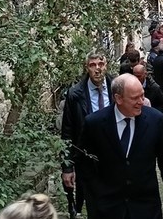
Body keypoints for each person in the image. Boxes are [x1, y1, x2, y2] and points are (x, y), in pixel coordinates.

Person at [75, 74, 163, 219]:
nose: (141, 102)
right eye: (135, 98)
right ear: (118, 98)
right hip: (108, 208)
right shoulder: (95, 123)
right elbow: (83, 162)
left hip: (145, 207)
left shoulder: (155, 120)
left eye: (142, 95)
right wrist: (95, 194)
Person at [61, 52, 112, 218]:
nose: (97, 69)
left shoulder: (116, 87)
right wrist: (67, 167)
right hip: (88, 160)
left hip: (114, 157)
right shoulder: (75, 94)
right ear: (86, 68)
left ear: (106, 66)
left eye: (101, 64)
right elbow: (67, 132)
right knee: (94, 207)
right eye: (92, 65)